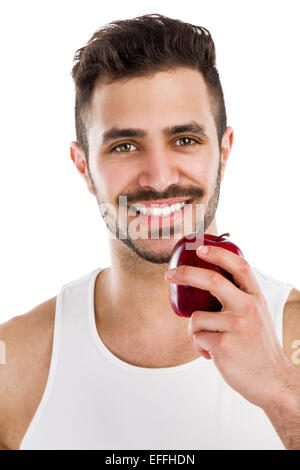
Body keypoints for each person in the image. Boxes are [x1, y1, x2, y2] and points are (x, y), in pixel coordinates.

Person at [1, 13, 300, 451]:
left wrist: (283, 395)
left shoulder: (293, 337)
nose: (159, 179)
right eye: (125, 146)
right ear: (83, 167)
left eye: (184, 140)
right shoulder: (15, 363)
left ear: (224, 149)